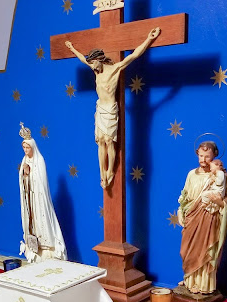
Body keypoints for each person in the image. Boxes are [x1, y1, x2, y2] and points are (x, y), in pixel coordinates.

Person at [65, 27, 161, 189]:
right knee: (100, 141)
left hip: (110, 109)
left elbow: (134, 55)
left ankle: (110, 171)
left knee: (109, 141)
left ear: (100, 60)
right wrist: (72, 48)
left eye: (94, 63)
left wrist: (149, 39)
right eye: (91, 64)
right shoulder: (95, 71)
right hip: (100, 109)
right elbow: (82, 59)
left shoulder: (115, 69)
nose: (92, 66)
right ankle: (102, 173)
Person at [177, 141, 227, 294]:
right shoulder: (192, 174)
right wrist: (180, 210)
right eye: (201, 156)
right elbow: (185, 195)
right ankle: (189, 279)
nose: (203, 160)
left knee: (205, 250)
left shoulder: (222, 176)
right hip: (192, 216)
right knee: (187, 250)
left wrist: (220, 202)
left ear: (214, 156)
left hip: (209, 218)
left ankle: (204, 284)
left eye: (207, 156)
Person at [18, 123, 67, 263]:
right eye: (24, 147)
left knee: (42, 221)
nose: (25, 150)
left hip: (39, 199)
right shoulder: (24, 160)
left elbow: (41, 181)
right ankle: (35, 248)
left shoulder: (39, 160)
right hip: (30, 199)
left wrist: (30, 173)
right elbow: (22, 179)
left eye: (27, 147)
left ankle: (48, 247)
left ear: (33, 147)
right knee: (31, 222)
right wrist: (25, 175)